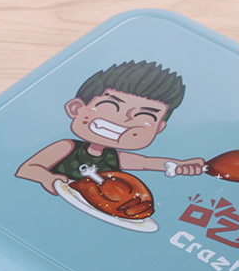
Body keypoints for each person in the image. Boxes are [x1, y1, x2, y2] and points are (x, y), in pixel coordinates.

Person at [16, 59, 205, 194]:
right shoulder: (68, 147)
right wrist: (48, 179)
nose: (125, 121)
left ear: (158, 128)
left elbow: (146, 162)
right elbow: (27, 168)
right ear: (76, 108)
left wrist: (178, 166)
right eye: (111, 106)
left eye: (144, 116)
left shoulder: (113, 157)